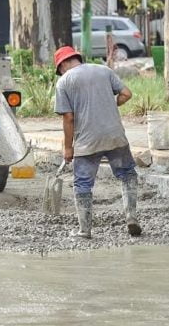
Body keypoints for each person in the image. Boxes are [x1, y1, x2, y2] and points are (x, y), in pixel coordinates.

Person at [53, 46, 141, 239]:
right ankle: (131, 217)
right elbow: (126, 94)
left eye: (59, 69)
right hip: (115, 136)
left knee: (83, 184)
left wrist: (68, 148)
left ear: (63, 64)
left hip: (87, 142)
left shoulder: (64, 82)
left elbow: (68, 118)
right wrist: (111, 104)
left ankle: (84, 230)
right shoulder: (104, 70)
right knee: (127, 174)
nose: (60, 72)